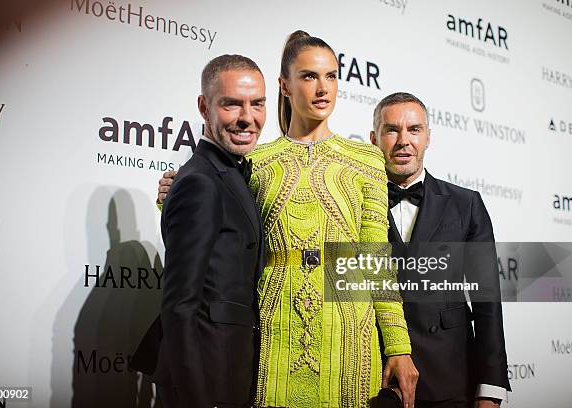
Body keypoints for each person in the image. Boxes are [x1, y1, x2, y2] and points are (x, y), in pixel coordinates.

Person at [157, 31, 418, 408]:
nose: (323, 88)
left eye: (331, 76)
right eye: (310, 76)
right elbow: (218, 231)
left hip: (348, 332)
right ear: (284, 84)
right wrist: (169, 196)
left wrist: (398, 347)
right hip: (273, 328)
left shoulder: (366, 159)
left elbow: (376, 261)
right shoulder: (255, 160)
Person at [131, 54, 267, 408]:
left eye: (257, 104)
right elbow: (180, 306)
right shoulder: (201, 182)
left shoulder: (226, 173)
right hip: (205, 382)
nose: (247, 118)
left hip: (227, 373)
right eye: (231, 104)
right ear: (204, 107)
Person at [370, 92, 510, 408]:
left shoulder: (466, 204)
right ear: (373, 138)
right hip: (374, 378)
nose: (403, 141)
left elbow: (488, 301)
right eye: (391, 130)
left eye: (414, 129)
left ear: (428, 137)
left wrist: (490, 390)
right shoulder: (352, 204)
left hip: (449, 378)